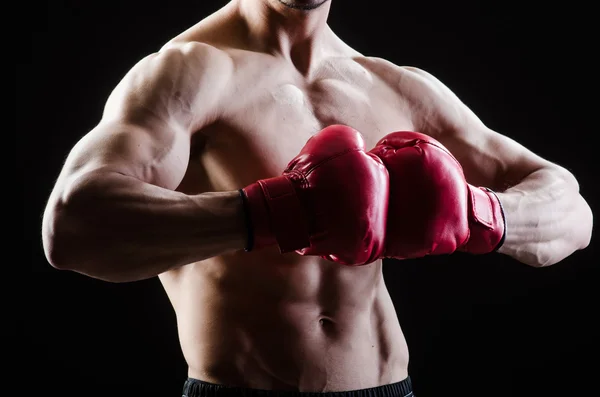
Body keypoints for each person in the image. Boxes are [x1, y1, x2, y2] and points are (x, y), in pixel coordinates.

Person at [41, 0, 593, 396]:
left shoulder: (392, 84)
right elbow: (74, 224)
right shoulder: (191, 71)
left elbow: (572, 213)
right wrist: (270, 213)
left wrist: (485, 214)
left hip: (391, 387)